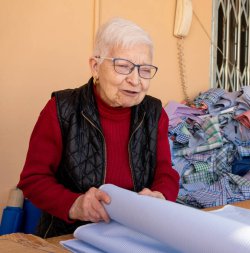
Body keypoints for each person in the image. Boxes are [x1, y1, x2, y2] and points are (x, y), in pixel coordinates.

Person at [17, 17, 180, 238]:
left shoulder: (154, 112)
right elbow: (33, 179)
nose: (135, 80)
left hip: (134, 233)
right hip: (69, 235)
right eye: (123, 67)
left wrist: (160, 196)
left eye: (144, 70)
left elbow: (165, 171)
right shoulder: (61, 109)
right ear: (96, 66)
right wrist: (75, 204)